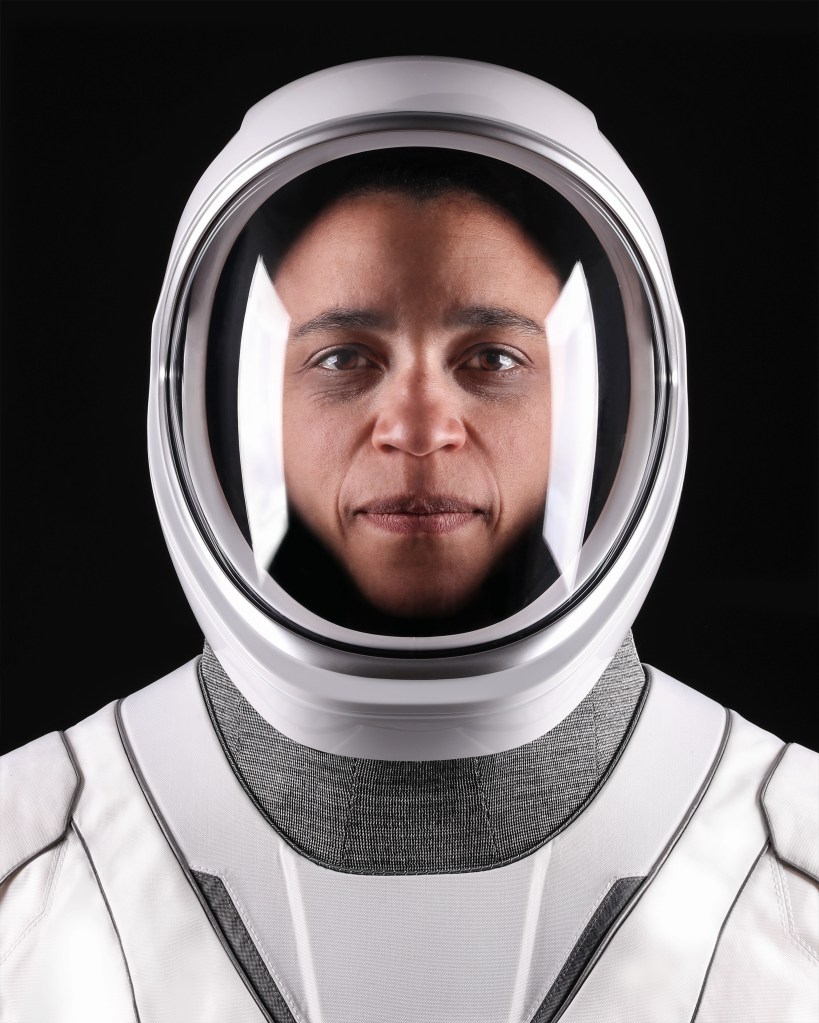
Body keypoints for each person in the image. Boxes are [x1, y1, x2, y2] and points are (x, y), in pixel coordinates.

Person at [1, 57, 816, 1022]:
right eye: (344, 357)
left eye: (494, 358)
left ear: (620, 399)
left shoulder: (795, 860)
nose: (419, 423)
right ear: (223, 402)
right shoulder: (27, 857)